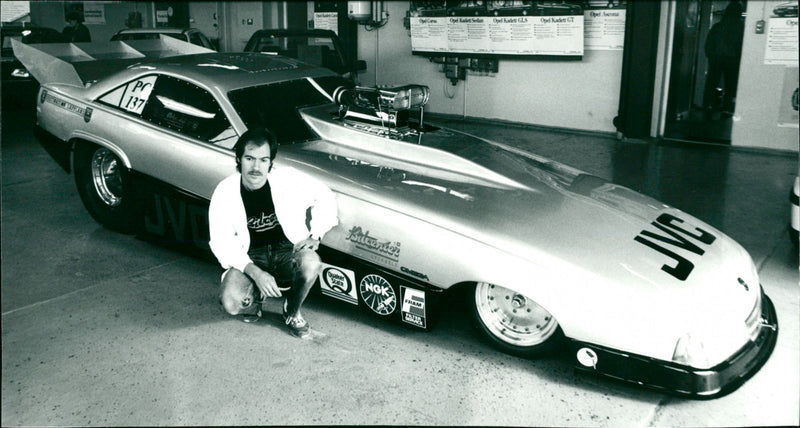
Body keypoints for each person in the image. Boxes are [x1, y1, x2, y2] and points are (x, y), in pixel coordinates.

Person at [208, 128, 338, 337]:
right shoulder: (225, 191)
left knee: (311, 262)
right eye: (249, 158)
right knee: (231, 304)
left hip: (288, 250)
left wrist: (316, 234)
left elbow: (324, 195)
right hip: (251, 256)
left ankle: (292, 310)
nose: (256, 167)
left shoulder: (288, 180)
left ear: (270, 162)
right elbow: (220, 240)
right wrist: (255, 273)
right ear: (239, 159)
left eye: (263, 160)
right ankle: (255, 300)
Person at [703, 1, 744, 117]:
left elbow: (709, 44)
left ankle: (708, 105)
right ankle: (727, 108)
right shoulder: (741, 27)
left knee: (711, 82)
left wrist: (711, 55)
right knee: (730, 85)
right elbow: (741, 45)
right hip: (732, 60)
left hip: (716, 58)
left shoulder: (718, 26)